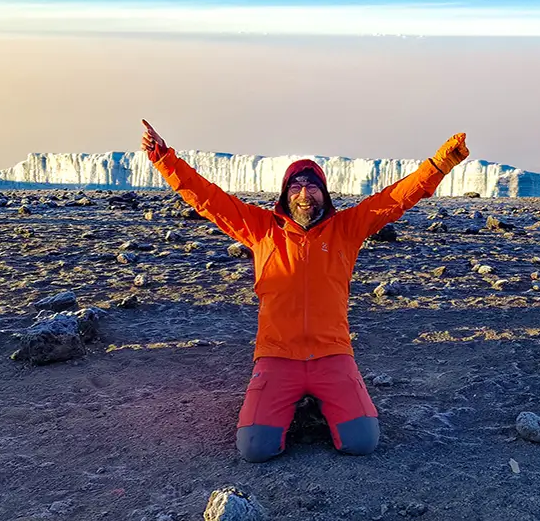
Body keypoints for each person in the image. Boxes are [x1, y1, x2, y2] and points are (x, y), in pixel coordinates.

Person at [141, 119, 469, 462]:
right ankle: (296, 406)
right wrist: (164, 158)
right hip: (277, 357)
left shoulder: (347, 229)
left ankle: (316, 403)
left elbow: (396, 198)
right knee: (255, 449)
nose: (303, 193)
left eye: (312, 186)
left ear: (324, 193)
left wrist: (440, 164)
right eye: (295, 186)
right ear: (285, 195)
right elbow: (208, 198)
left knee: (362, 443)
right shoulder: (261, 230)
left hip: (332, 355)